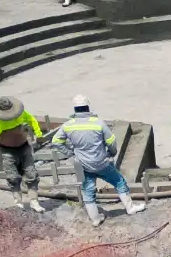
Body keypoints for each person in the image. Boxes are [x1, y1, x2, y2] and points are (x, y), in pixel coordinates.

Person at [47, 95, 148, 225]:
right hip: (101, 162)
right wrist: (112, 153)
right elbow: (111, 141)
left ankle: (95, 219)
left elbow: (56, 141)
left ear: (75, 109)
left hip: (83, 165)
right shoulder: (98, 123)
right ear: (88, 107)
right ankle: (130, 207)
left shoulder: (67, 125)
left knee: (88, 191)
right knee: (119, 181)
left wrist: (71, 153)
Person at [0, 94, 46, 211]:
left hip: (24, 147)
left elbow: (31, 119)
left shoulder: (19, 112)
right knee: (12, 177)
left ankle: (34, 201)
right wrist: (1, 126)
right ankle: (18, 202)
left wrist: (38, 133)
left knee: (31, 173)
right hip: (7, 150)